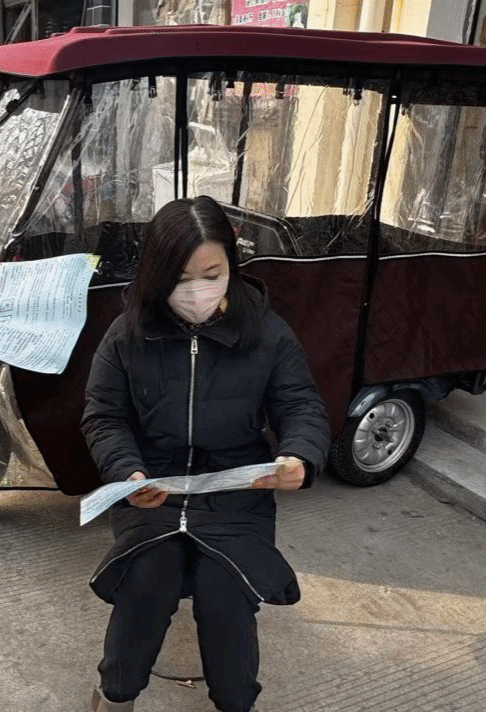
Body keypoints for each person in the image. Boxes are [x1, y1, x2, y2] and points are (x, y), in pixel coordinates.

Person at [82, 195, 330, 712]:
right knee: (145, 583)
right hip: (154, 488)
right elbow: (104, 415)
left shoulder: (266, 331)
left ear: (232, 266)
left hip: (237, 491)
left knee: (227, 596)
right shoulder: (128, 333)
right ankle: (116, 696)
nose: (197, 291)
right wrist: (127, 472)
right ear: (155, 275)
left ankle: (236, 703)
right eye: (179, 278)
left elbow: (299, 403)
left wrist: (299, 457)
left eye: (211, 274)